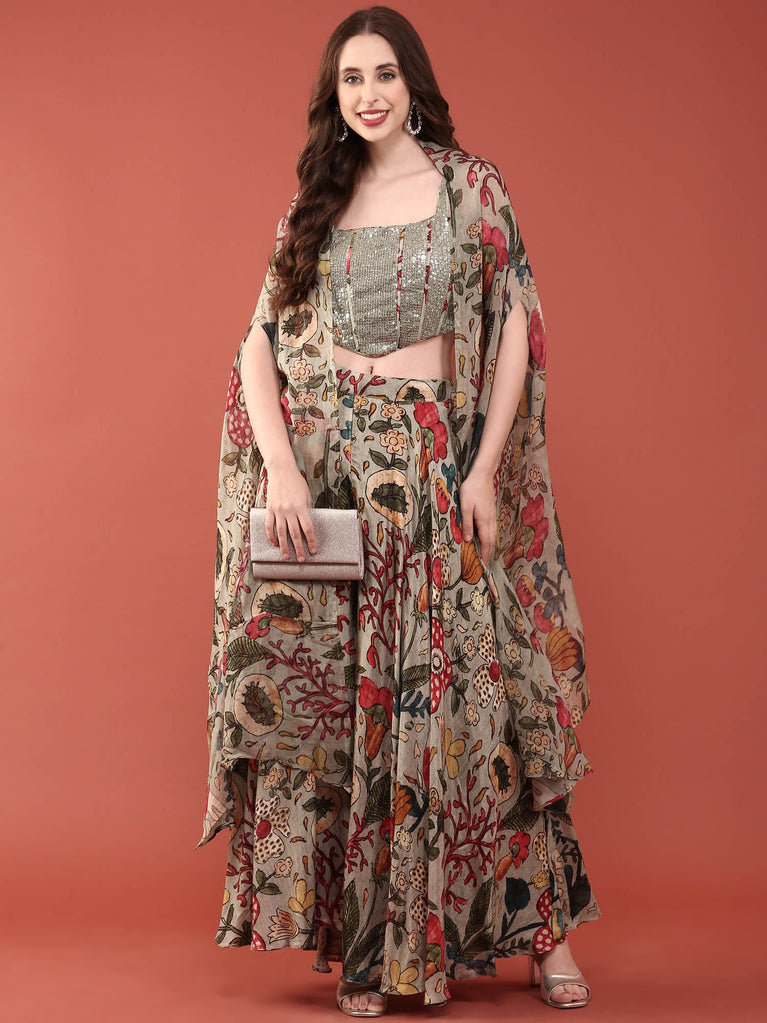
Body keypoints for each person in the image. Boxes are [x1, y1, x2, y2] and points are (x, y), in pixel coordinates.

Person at [195, 5, 602, 1016]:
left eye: (382, 74)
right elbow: (257, 345)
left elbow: (514, 327)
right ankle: (372, 951)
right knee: (352, 722)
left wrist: (482, 469)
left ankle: (543, 934)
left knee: (479, 708)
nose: (368, 94)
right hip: (334, 488)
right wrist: (281, 470)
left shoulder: (470, 187)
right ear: (332, 97)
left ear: (412, 83)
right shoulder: (315, 206)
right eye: (350, 80)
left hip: (432, 477)